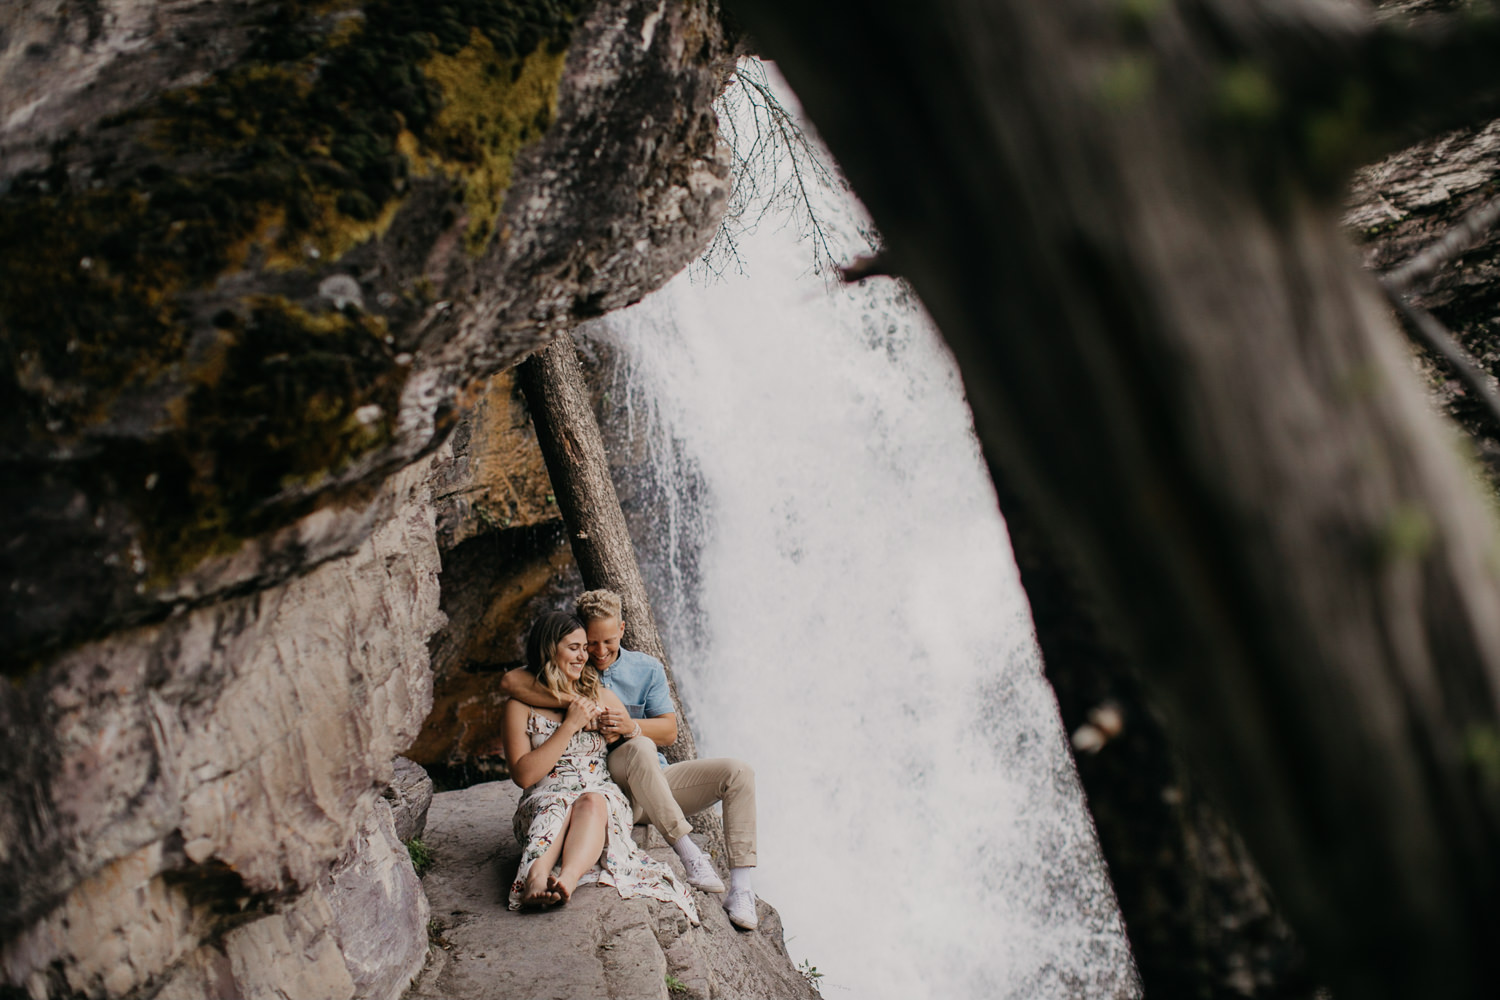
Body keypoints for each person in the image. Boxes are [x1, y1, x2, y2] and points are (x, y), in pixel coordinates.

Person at [501, 590, 761, 931]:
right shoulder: (576, 673)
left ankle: (742, 889)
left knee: (737, 772)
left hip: (647, 782)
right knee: (636, 750)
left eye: (605, 642)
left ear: (622, 630)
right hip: (614, 780)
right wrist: (573, 708)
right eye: (587, 644)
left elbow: (669, 731)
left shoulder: (642, 670)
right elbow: (512, 681)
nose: (596, 652)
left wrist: (629, 726)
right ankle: (688, 853)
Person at [501, 610, 697, 923]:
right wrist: (570, 725)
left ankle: (566, 880)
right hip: (545, 794)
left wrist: (623, 727)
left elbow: (634, 736)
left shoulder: (601, 696)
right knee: (556, 804)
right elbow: (523, 775)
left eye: (584, 647)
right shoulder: (519, 705)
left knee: (592, 800)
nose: (585, 656)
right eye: (574, 648)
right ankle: (536, 877)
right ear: (550, 649)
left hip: (597, 790)